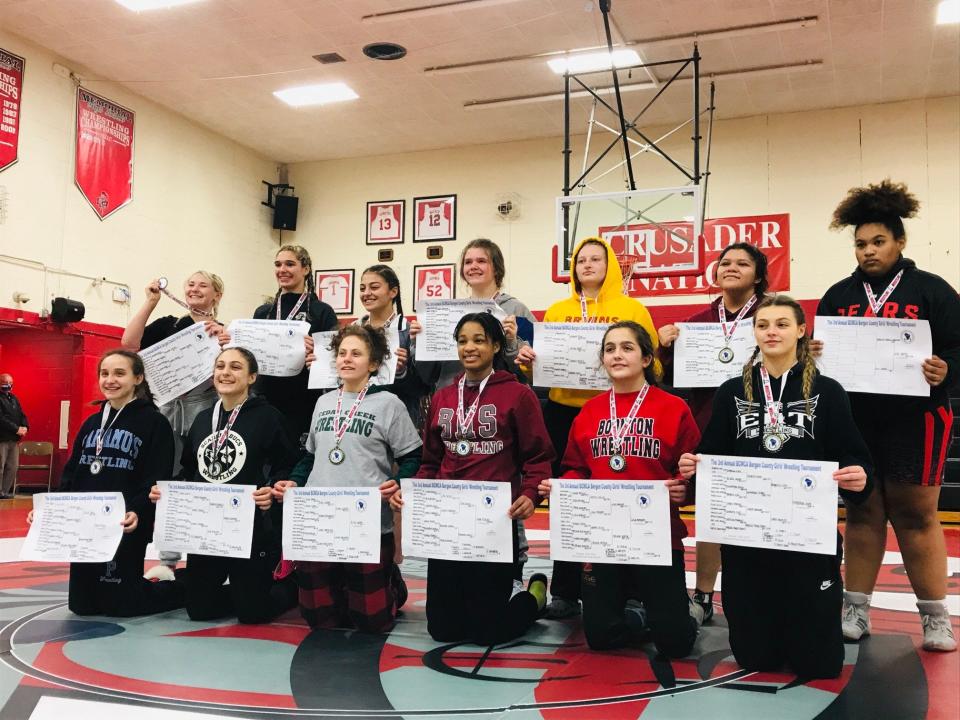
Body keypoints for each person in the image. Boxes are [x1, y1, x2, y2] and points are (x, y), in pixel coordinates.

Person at [680, 295, 872, 679]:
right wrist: (694, 466)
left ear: (801, 331)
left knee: (818, 665)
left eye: (782, 324)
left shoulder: (829, 391)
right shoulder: (731, 390)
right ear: (753, 332)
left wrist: (859, 477)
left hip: (807, 540)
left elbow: (854, 457)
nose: (772, 331)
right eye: (763, 324)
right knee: (756, 658)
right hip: (747, 542)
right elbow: (711, 456)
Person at [818, 180, 959, 652]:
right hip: (855, 420)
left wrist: (947, 368)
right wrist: (813, 351)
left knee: (916, 516)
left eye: (878, 242)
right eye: (860, 244)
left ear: (899, 242)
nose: (868, 251)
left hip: (917, 418)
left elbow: (958, 350)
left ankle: (936, 618)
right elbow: (819, 363)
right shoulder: (838, 295)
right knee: (862, 513)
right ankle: (855, 607)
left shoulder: (933, 290)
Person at [516, 235, 660, 618]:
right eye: (581, 260)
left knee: (622, 498)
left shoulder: (632, 308)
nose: (588, 265)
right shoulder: (559, 310)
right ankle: (564, 589)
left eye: (596, 258)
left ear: (611, 264)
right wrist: (530, 361)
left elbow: (651, 356)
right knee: (568, 501)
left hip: (619, 414)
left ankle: (630, 587)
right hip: (566, 414)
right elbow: (545, 367)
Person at [539, 321, 702, 656]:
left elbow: (692, 471)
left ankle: (677, 612)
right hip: (603, 538)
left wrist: (687, 490)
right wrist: (563, 488)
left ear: (646, 359)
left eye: (627, 347)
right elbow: (575, 468)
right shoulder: (589, 411)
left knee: (675, 644)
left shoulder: (674, 408)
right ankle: (639, 616)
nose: (617, 355)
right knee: (600, 638)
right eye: (610, 349)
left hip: (656, 539)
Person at [391, 312, 553, 645]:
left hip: (493, 521)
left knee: (486, 632)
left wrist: (531, 494)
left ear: (495, 345)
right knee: (442, 630)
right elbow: (432, 460)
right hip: (448, 521)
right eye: (463, 341)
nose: (469, 347)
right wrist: (414, 494)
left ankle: (534, 596)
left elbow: (538, 457)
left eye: (479, 340)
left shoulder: (518, 395)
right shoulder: (443, 397)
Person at [275, 325, 422, 633]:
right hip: (321, 517)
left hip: (366, 520)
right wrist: (295, 482)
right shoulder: (323, 402)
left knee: (372, 621)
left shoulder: (389, 404)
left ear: (373, 363)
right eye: (342, 353)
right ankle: (344, 587)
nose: (346, 359)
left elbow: (412, 456)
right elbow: (310, 456)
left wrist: (401, 481)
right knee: (321, 619)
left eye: (356, 354)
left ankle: (391, 583)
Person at [657, 242, 770, 622]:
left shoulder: (772, 316)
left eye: (742, 263)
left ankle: (760, 592)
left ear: (759, 274)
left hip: (765, 424)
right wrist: (666, 348)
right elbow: (671, 379)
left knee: (760, 510)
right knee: (711, 513)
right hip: (712, 424)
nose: (731, 268)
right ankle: (703, 596)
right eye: (725, 263)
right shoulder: (697, 322)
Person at [27, 350, 183, 617]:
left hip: (125, 521)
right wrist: (48, 510)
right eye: (105, 373)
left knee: (121, 606)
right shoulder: (91, 423)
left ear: (138, 378)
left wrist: (139, 510)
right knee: (82, 607)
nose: (110, 380)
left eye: (119, 373)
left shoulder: (154, 423)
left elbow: (156, 477)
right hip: (86, 523)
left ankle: (177, 585)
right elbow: (72, 472)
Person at [150, 347, 298, 624]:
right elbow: (190, 469)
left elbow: (287, 465)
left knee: (254, 614)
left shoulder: (268, 417)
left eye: (235, 367)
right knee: (199, 611)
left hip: (252, 527)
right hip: (208, 529)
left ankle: (293, 586)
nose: (225, 373)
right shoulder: (203, 419)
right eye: (220, 367)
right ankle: (224, 588)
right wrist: (169, 492)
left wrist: (273, 487)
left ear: (252, 377)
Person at [122, 271, 224, 580]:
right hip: (167, 411)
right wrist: (150, 302)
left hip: (206, 411)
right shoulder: (169, 325)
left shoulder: (224, 331)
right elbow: (129, 342)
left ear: (217, 295)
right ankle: (167, 559)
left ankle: (208, 557)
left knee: (204, 480)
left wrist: (227, 338)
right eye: (190, 284)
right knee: (167, 482)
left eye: (202, 285)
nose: (194, 289)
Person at [221, 245, 338, 448]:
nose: (282, 269)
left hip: (303, 399)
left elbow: (333, 359)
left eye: (290, 264)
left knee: (295, 456)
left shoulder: (322, 311)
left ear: (306, 269)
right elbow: (249, 356)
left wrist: (315, 351)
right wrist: (232, 342)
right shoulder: (263, 311)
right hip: (264, 395)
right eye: (278, 264)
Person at [413, 238, 536, 391]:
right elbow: (427, 376)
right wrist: (419, 343)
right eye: (468, 262)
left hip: (499, 402)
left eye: (481, 261)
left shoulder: (516, 311)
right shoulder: (447, 315)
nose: (474, 266)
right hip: (454, 401)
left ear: (496, 268)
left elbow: (530, 375)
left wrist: (512, 345)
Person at [354, 264, 430, 426]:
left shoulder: (410, 331)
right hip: (356, 420)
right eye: (362, 288)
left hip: (397, 421)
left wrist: (402, 372)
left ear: (393, 292)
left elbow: (423, 388)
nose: (366, 293)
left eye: (374, 287)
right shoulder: (351, 331)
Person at [0, 373, 28, 499]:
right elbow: (1, 419)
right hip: (2, 439)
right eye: (6, 383)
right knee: (0, 466)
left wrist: (25, 426)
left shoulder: (14, 398)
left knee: (12, 466)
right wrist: (16, 429)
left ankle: (4, 491)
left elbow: (21, 414)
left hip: (14, 439)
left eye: (11, 383)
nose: (9, 386)